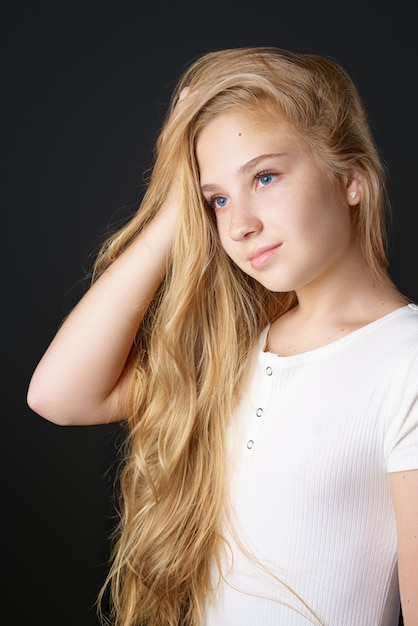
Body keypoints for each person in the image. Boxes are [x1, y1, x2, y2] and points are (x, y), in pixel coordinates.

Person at [27, 46, 418, 626]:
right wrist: (172, 211)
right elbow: (57, 396)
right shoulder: (236, 352)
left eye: (265, 176)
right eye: (217, 199)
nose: (239, 224)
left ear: (351, 179)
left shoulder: (404, 361)